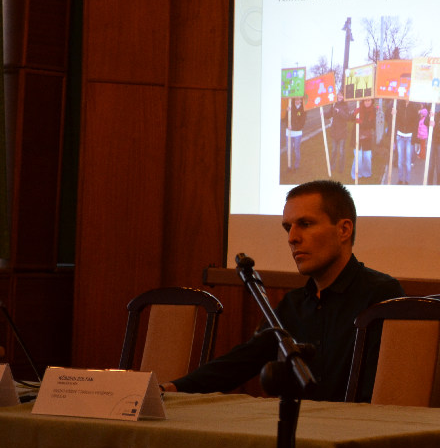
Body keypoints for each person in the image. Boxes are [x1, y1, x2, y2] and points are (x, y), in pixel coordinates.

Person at [162, 180, 405, 401]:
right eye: (288, 228)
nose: (292, 238)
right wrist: (171, 388)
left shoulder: (381, 295)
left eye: (305, 224)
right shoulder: (293, 305)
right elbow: (241, 361)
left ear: (344, 230)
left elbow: (386, 391)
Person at [329, 93, 350, 174]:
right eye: (339, 95)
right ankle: (332, 166)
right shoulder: (334, 104)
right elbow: (329, 114)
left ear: (344, 97)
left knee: (341, 151)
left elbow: (347, 117)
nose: (340, 97)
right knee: (334, 150)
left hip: (342, 133)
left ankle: (341, 168)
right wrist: (323, 114)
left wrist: (340, 111)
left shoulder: (346, 106)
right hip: (334, 132)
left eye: (342, 95)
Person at [285, 97, 306, 171]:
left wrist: (293, 127)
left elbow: (302, 123)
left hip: (297, 133)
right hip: (289, 133)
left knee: (296, 149)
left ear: (301, 100)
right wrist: (287, 111)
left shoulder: (303, 109)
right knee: (289, 150)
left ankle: (296, 166)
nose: (297, 101)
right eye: (296, 100)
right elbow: (285, 119)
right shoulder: (290, 107)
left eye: (298, 100)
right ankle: (289, 165)